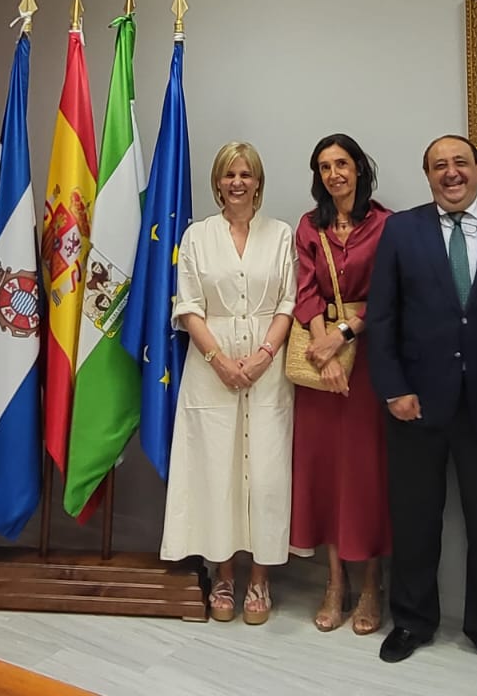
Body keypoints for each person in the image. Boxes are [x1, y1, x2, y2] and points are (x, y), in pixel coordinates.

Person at [364, 134, 477, 681]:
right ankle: (412, 621)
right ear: (427, 175)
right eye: (440, 166)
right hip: (416, 403)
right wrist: (393, 388)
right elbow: (384, 318)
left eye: (461, 162)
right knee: (415, 522)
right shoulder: (401, 230)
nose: (452, 173)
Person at [161, 142, 296, 626]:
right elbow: (188, 306)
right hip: (209, 368)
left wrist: (263, 356)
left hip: (268, 369)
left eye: (246, 174)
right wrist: (219, 360)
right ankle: (223, 575)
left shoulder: (280, 234)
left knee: (264, 475)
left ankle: (260, 578)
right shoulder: (197, 236)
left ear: (259, 182)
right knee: (216, 471)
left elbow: (287, 302)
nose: (237, 182)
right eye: (228, 174)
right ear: (217, 183)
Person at [288, 133, 393, 636]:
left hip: (369, 364)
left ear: (359, 169)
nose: (335, 174)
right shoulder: (309, 227)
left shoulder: (388, 225)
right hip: (317, 362)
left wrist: (344, 335)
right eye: (325, 167)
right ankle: (335, 584)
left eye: (342, 164)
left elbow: (391, 294)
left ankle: (372, 584)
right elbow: (304, 289)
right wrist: (321, 343)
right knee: (325, 474)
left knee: (367, 475)